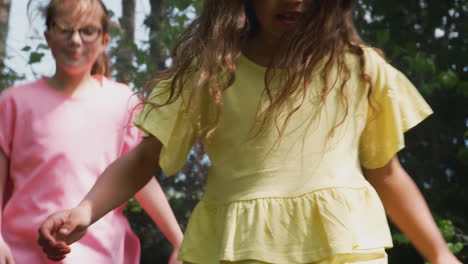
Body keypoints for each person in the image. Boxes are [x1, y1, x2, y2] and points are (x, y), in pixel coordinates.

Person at [38, 0, 463, 263]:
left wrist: (440, 253)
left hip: (345, 249)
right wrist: (86, 210)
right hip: (237, 252)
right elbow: (145, 158)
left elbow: (386, 172)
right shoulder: (210, 74)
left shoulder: (359, 69)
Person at [0, 0, 183, 263]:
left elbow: (139, 172)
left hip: (101, 255)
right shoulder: (13, 103)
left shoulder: (123, 102)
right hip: (21, 256)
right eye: (64, 28)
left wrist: (179, 240)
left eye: (87, 31)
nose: (75, 40)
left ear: (104, 40)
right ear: (47, 35)